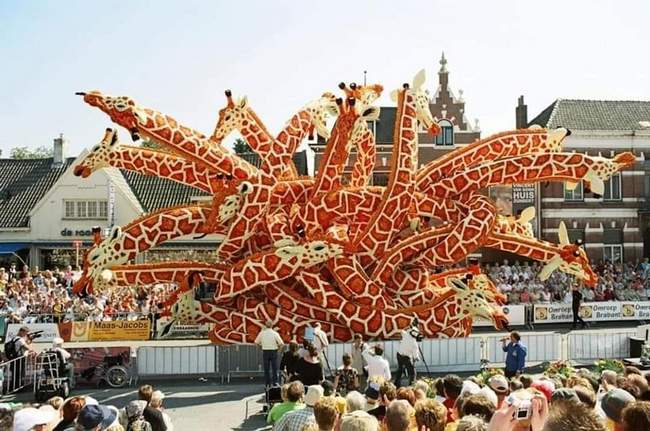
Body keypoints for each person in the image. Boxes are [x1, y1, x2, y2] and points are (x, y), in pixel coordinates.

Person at [254, 320, 284, 387]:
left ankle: (267, 383)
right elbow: (281, 344)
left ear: (265, 325)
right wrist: (278, 351)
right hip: (274, 351)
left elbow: (256, 343)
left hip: (265, 351)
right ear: (272, 325)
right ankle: (275, 382)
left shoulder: (262, 333)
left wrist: (261, 348)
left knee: (266, 369)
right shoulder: (275, 333)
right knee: (274, 368)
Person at [394, 319, 420, 388]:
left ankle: (396, 384)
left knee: (400, 369)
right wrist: (416, 358)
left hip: (399, 355)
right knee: (412, 372)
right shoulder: (414, 344)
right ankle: (412, 385)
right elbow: (416, 357)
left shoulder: (406, 335)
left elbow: (402, 330)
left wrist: (409, 327)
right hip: (406, 357)